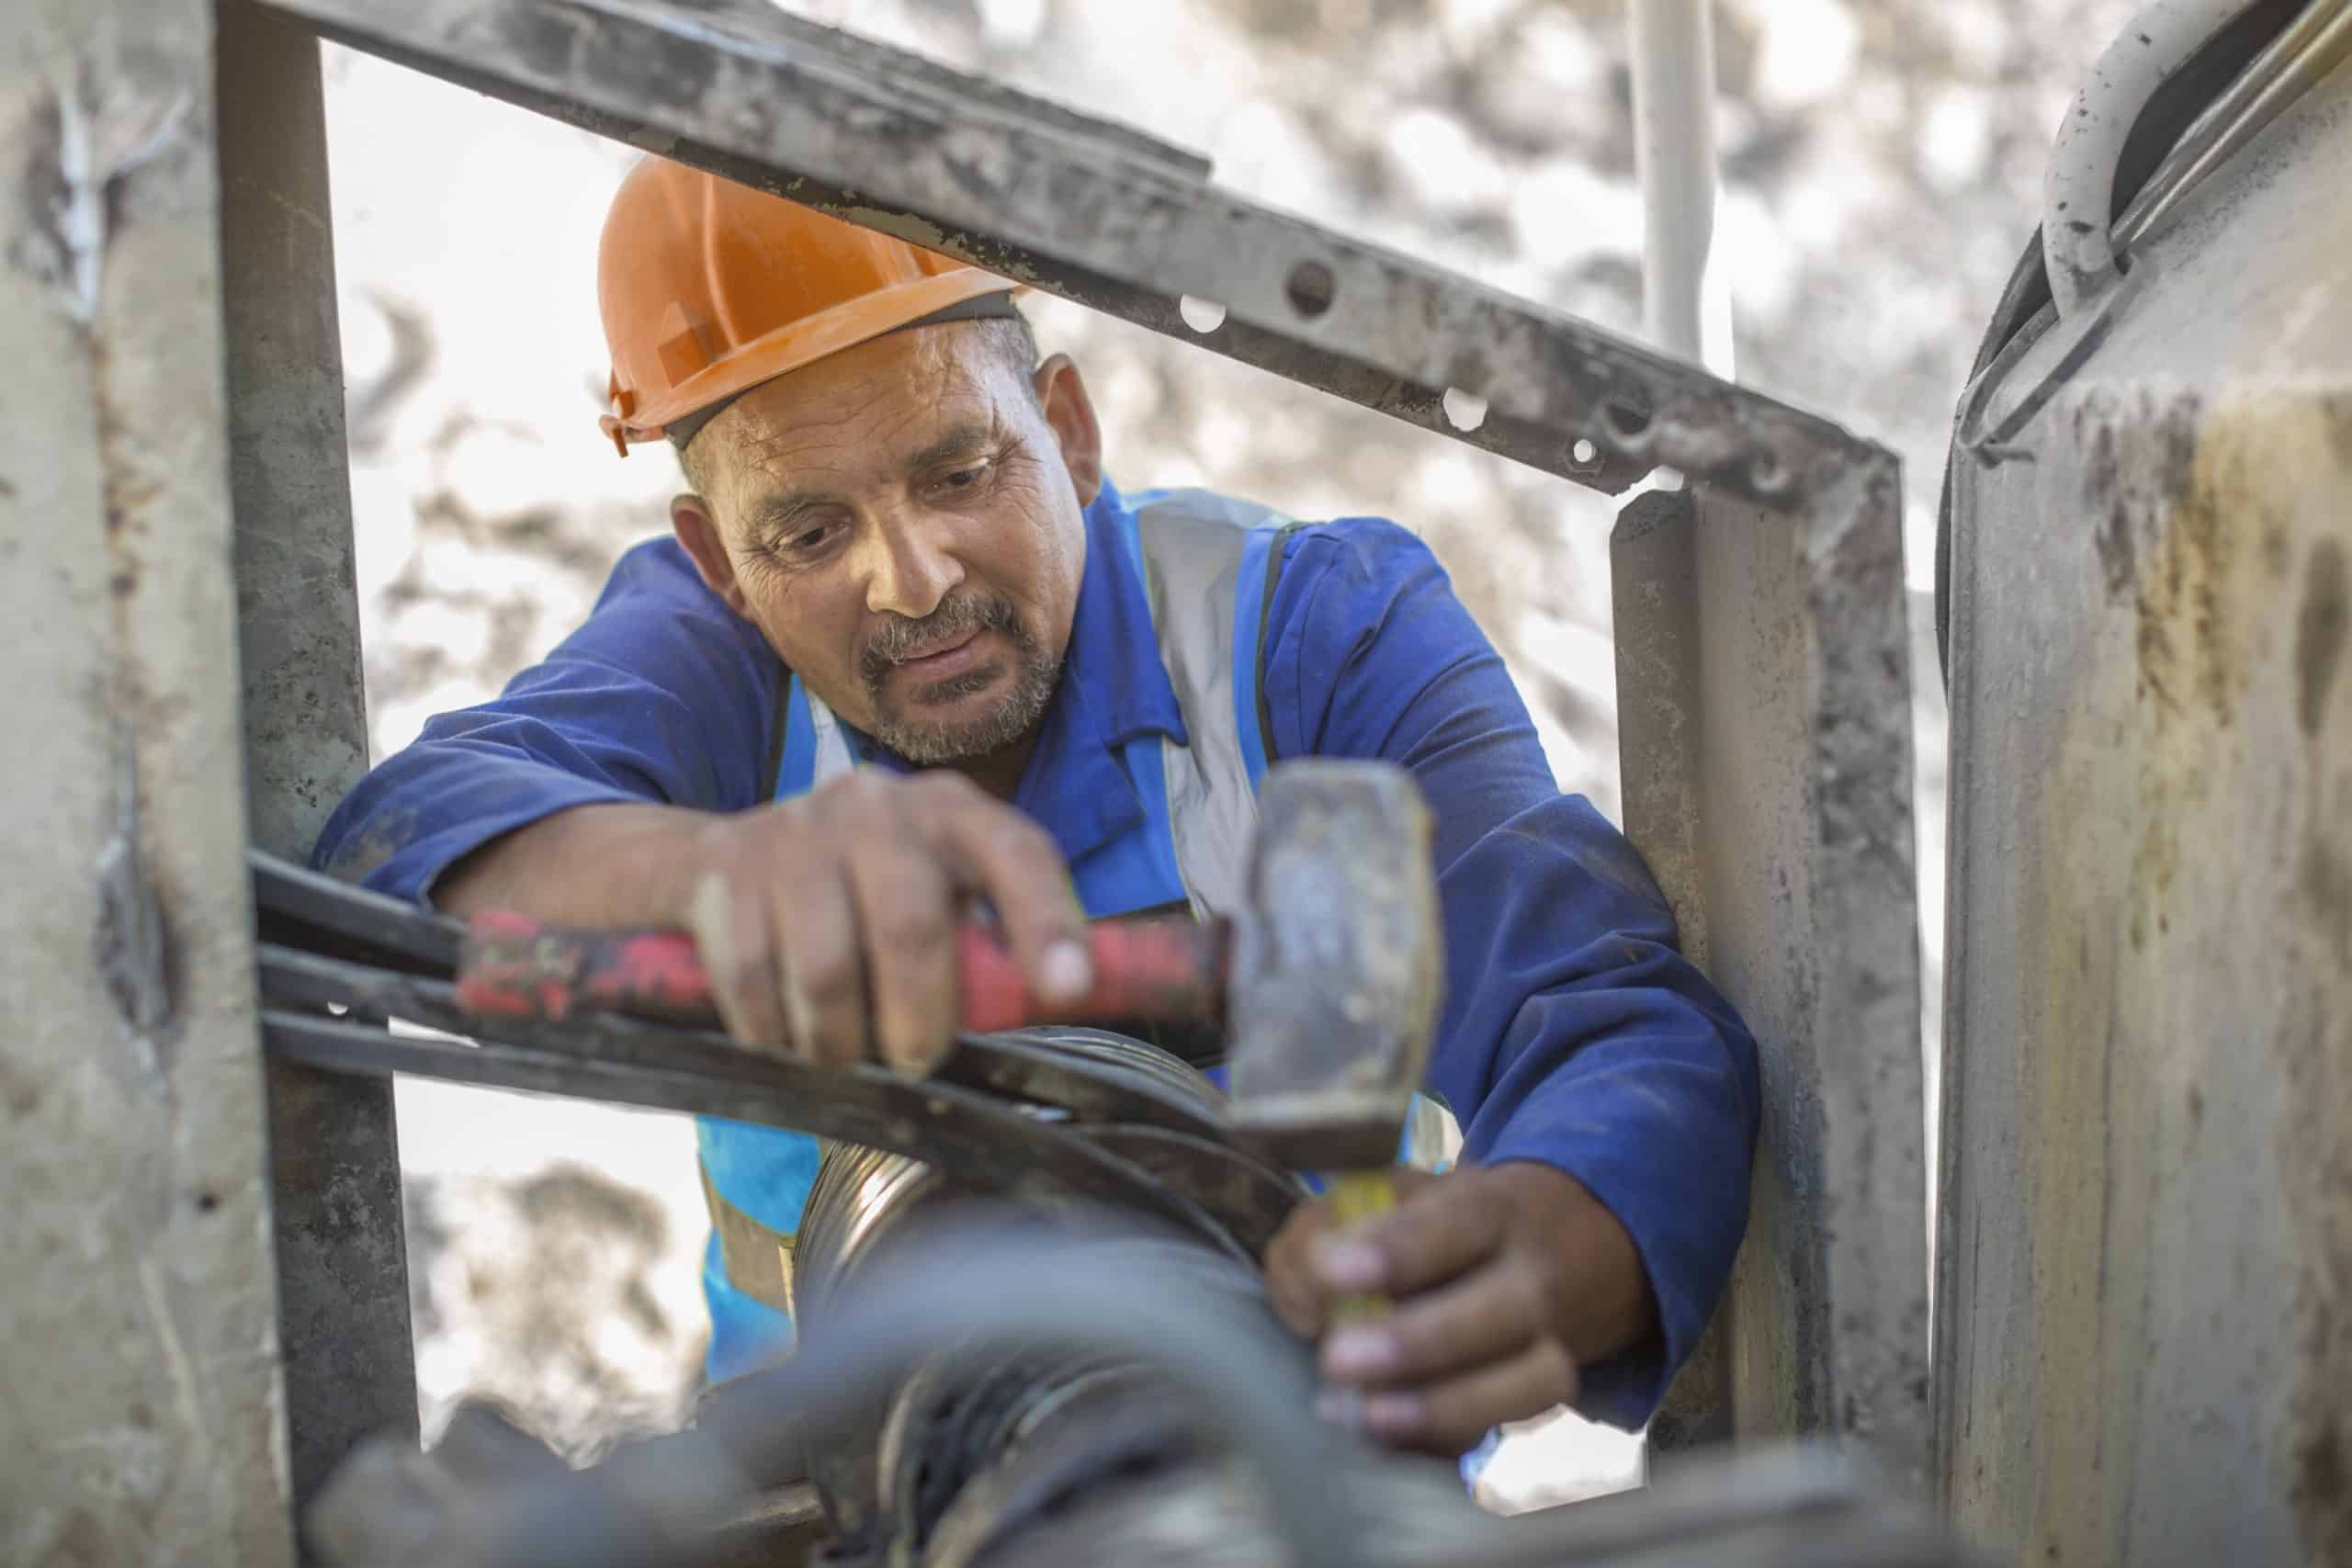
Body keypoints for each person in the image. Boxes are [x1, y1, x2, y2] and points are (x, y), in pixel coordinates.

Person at [316, 157, 1760, 1458]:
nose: (914, 578)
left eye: (959, 470)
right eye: (810, 532)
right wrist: (707, 875)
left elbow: (1600, 1018)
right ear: (718, 565)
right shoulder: (715, 673)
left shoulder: (1313, 645)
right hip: (848, 1486)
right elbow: (403, 839)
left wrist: (1551, 1233)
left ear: (1066, 430)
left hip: (1311, 1470)